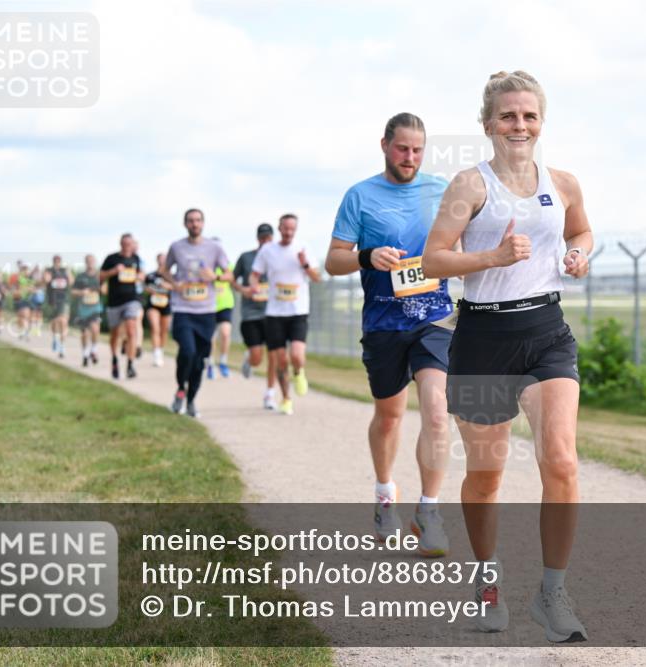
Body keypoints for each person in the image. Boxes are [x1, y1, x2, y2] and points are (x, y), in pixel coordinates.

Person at [421, 71, 593, 642]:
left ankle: (552, 592)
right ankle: (487, 580)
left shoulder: (563, 182)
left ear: (541, 122)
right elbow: (435, 261)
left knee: (562, 461)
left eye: (529, 116)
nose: (519, 125)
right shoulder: (469, 186)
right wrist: (492, 256)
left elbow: (583, 232)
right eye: (508, 116)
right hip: (481, 340)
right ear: (488, 123)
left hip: (547, 332)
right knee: (487, 473)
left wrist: (577, 253)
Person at [325, 112, 453, 556]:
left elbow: (465, 240)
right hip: (383, 321)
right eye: (403, 149)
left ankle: (429, 512)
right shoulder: (359, 196)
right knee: (390, 416)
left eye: (418, 150)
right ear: (384, 145)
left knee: (437, 412)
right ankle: (384, 496)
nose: (410, 158)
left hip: (435, 317)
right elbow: (333, 261)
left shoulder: (441, 190)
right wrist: (367, 256)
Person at [160, 208, 232, 418]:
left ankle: (190, 400)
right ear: (185, 224)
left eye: (198, 220)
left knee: (200, 360)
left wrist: (215, 277)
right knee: (187, 352)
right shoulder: (177, 247)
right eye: (190, 221)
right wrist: (175, 284)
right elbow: (164, 270)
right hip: (183, 309)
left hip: (206, 311)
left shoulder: (214, 248)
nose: (194, 224)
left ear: (203, 223)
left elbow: (229, 275)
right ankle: (180, 388)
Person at [249, 214, 320, 415]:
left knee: (296, 355)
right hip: (275, 313)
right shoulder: (267, 250)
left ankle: (299, 372)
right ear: (279, 228)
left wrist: (305, 264)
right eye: (285, 228)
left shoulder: (303, 248)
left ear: (295, 230)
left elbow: (316, 278)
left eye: (292, 229)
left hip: (298, 311)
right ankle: (286, 398)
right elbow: (254, 274)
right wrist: (254, 287)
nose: (288, 232)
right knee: (280, 360)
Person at [233, 223, 279, 409]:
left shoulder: (278, 257)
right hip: (251, 313)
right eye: (262, 238)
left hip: (274, 312)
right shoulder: (246, 257)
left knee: (274, 355)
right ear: (257, 239)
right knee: (257, 357)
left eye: (269, 238)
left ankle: (269, 394)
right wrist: (243, 289)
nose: (265, 241)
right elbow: (232, 279)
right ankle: (249, 359)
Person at [100, 234, 143, 379]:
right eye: (125, 243)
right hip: (114, 301)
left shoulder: (135, 259)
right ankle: (114, 360)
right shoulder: (111, 258)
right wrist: (113, 271)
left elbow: (141, 275)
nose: (127, 246)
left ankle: (130, 364)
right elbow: (100, 276)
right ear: (120, 244)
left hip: (131, 299)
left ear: (132, 244)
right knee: (115, 334)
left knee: (132, 329)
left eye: (130, 244)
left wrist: (140, 276)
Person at [71, 254, 103, 367]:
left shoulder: (99, 276)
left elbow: (106, 289)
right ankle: (85, 354)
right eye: (88, 261)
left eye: (92, 261)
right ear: (85, 262)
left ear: (94, 262)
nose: (90, 263)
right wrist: (81, 292)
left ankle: (93, 350)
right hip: (83, 309)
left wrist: (101, 290)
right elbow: (73, 292)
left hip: (95, 307)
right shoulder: (80, 276)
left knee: (95, 329)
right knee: (84, 333)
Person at [144, 253, 173, 367]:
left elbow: (177, 287)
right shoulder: (151, 275)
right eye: (160, 259)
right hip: (153, 305)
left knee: (164, 330)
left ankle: (160, 350)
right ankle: (156, 353)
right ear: (157, 260)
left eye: (164, 259)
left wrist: (167, 286)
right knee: (155, 327)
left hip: (166, 304)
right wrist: (151, 290)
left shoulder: (171, 276)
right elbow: (144, 286)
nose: (162, 261)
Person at [207, 262, 235, 379]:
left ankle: (223, 362)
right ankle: (210, 364)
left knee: (225, 333)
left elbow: (234, 279)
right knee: (211, 338)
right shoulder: (206, 265)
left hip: (225, 304)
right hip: (208, 305)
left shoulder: (228, 266)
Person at [43, 255, 72, 358]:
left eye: (59, 261)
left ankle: (62, 348)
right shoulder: (49, 270)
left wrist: (69, 273)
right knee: (55, 323)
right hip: (53, 300)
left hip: (64, 300)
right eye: (55, 261)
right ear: (53, 261)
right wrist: (47, 276)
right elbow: (46, 281)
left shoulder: (65, 271)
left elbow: (71, 282)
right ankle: (55, 338)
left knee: (63, 322)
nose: (57, 262)